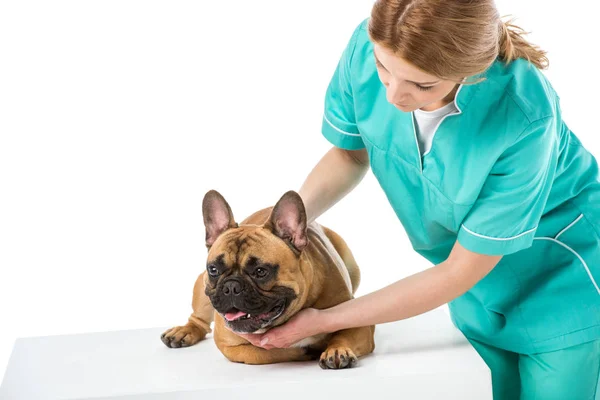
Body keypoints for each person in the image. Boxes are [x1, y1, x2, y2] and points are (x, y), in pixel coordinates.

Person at [236, 1, 600, 398]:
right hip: (474, 292)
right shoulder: (372, 43)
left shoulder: (525, 116)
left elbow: (458, 272)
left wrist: (323, 321)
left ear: (472, 70)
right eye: (383, 69)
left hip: (560, 283)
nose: (394, 95)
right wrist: (275, 231)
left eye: (422, 86)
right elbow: (349, 154)